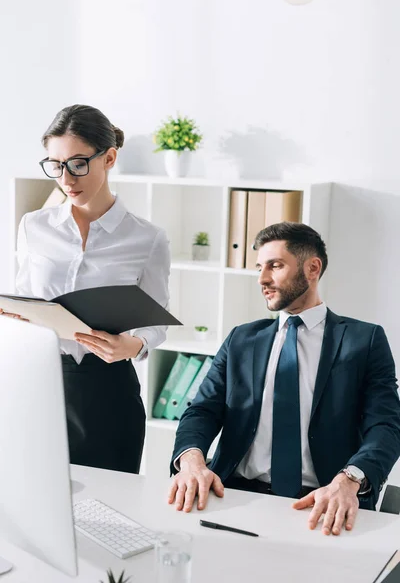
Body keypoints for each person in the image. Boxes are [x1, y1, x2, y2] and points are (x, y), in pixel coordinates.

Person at [168, 222, 400, 535]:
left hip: (322, 504)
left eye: (275, 266)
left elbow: (386, 426)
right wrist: (193, 460)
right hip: (233, 496)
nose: (263, 278)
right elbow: (202, 410)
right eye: (259, 267)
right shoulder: (242, 339)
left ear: (312, 268)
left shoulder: (364, 340)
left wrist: (349, 480)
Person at [1, 104, 170, 474]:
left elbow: (157, 321)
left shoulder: (148, 239)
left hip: (109, 390)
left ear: (109, 158)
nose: (66, 178)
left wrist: (135, 345)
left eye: (78, 163)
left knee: (110, 511)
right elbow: (25, 300)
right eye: (56, 165)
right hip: (42, 385)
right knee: (38, 506)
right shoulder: (33, 227)